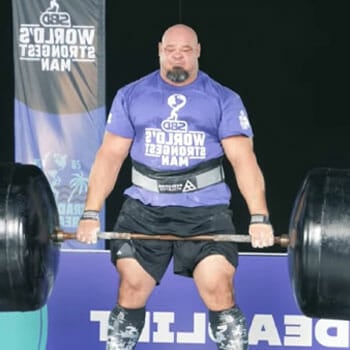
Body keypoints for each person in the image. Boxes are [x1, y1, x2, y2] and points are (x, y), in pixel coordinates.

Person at [76, 23, 274, 350]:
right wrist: (90, 212)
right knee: (132, 286)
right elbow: (109, 157)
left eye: (185, 51)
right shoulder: (131, 96)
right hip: (144, 211)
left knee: (217, 286)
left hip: (205, 213)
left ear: (197, 51)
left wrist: (259, 217)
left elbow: (244, 161)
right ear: (159, 51)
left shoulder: (223, 99)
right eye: (170, 51)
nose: (177, 58)